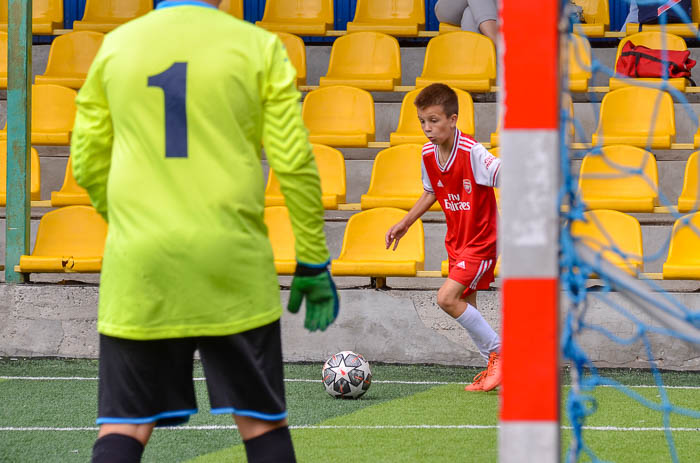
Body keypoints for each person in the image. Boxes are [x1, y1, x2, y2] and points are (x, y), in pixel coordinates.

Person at [71, 1, 339, 462]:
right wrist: (313, 260)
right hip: (232, 264)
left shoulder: (116, 48)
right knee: (262, 423)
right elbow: (294, 164)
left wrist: (132, 227)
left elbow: (86, 161)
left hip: (141, 266)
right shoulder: (257, 47)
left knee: (125, 426)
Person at [385, 83, 502, 392]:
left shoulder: (472, 152)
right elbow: (431, 191)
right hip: (458, 240)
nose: (427, 128)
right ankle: (493, 367)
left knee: (446, 299)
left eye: (434, 120)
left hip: (482, 238)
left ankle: (501, 354)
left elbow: (503, 172)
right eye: (423, 121)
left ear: (453, 119)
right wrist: (405, 222)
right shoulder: (428, 153)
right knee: (468, 305)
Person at [434, 0, 498, 44]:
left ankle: (473, 60)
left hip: (490, 7)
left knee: (469, 14)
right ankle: (497, 42)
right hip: (452, 5)